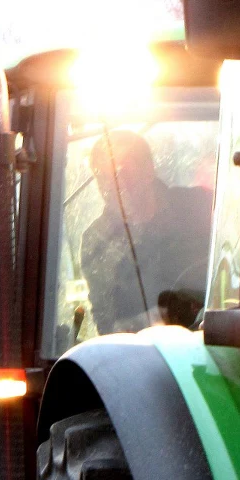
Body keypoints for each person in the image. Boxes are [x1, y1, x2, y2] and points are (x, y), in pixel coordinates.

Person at [79, 129, 210, 334]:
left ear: (148, 170)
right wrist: (150, 319)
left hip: (219, 341)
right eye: (101, 176)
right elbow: (107, 326)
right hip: (146, 355)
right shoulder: (97, 242)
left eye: (121, 172)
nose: (111, 185)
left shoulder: (201, 208)